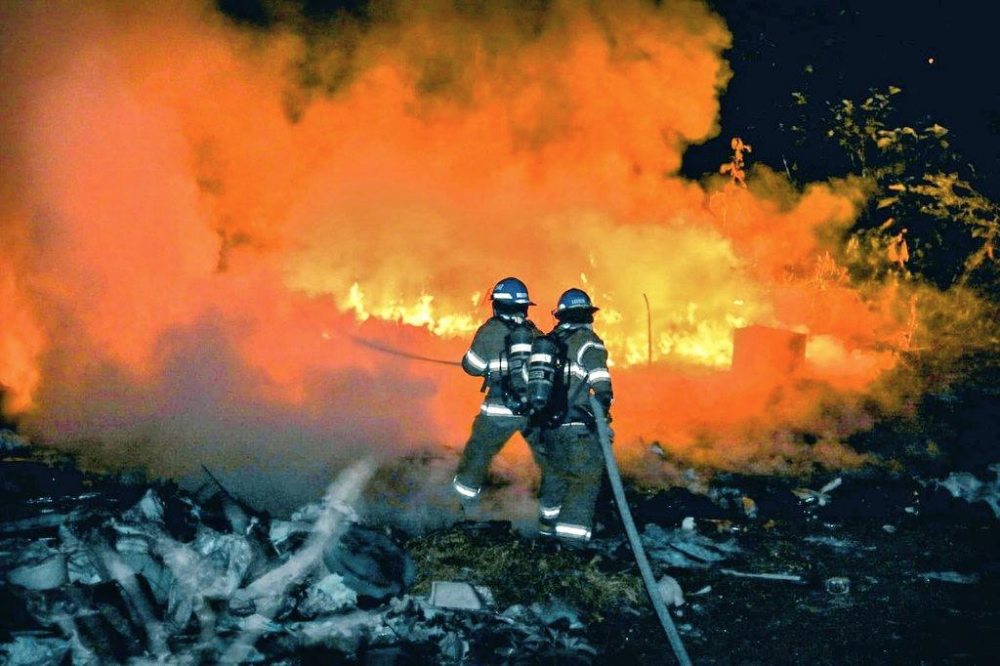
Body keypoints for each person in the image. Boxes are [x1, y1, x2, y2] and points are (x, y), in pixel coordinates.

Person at [452, 278, 562, 525]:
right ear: (524, 306)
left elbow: (472, 366)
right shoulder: (535, 333)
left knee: (477, 457)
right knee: (549, 462)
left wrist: (489, 367)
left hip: (498, 411)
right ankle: (551, 519)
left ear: (498, 305)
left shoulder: (490, 331)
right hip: (533, 411)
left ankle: (463, 512)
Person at [537, 288, 613, 543]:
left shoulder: (548, 342)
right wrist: (603, 417)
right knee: (583, 483)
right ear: (588, 315)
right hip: (577, 429)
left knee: (555, 480)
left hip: (548, 428)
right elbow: (601, 385)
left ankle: (546, 535)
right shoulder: (588, 343)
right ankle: (571, 547)